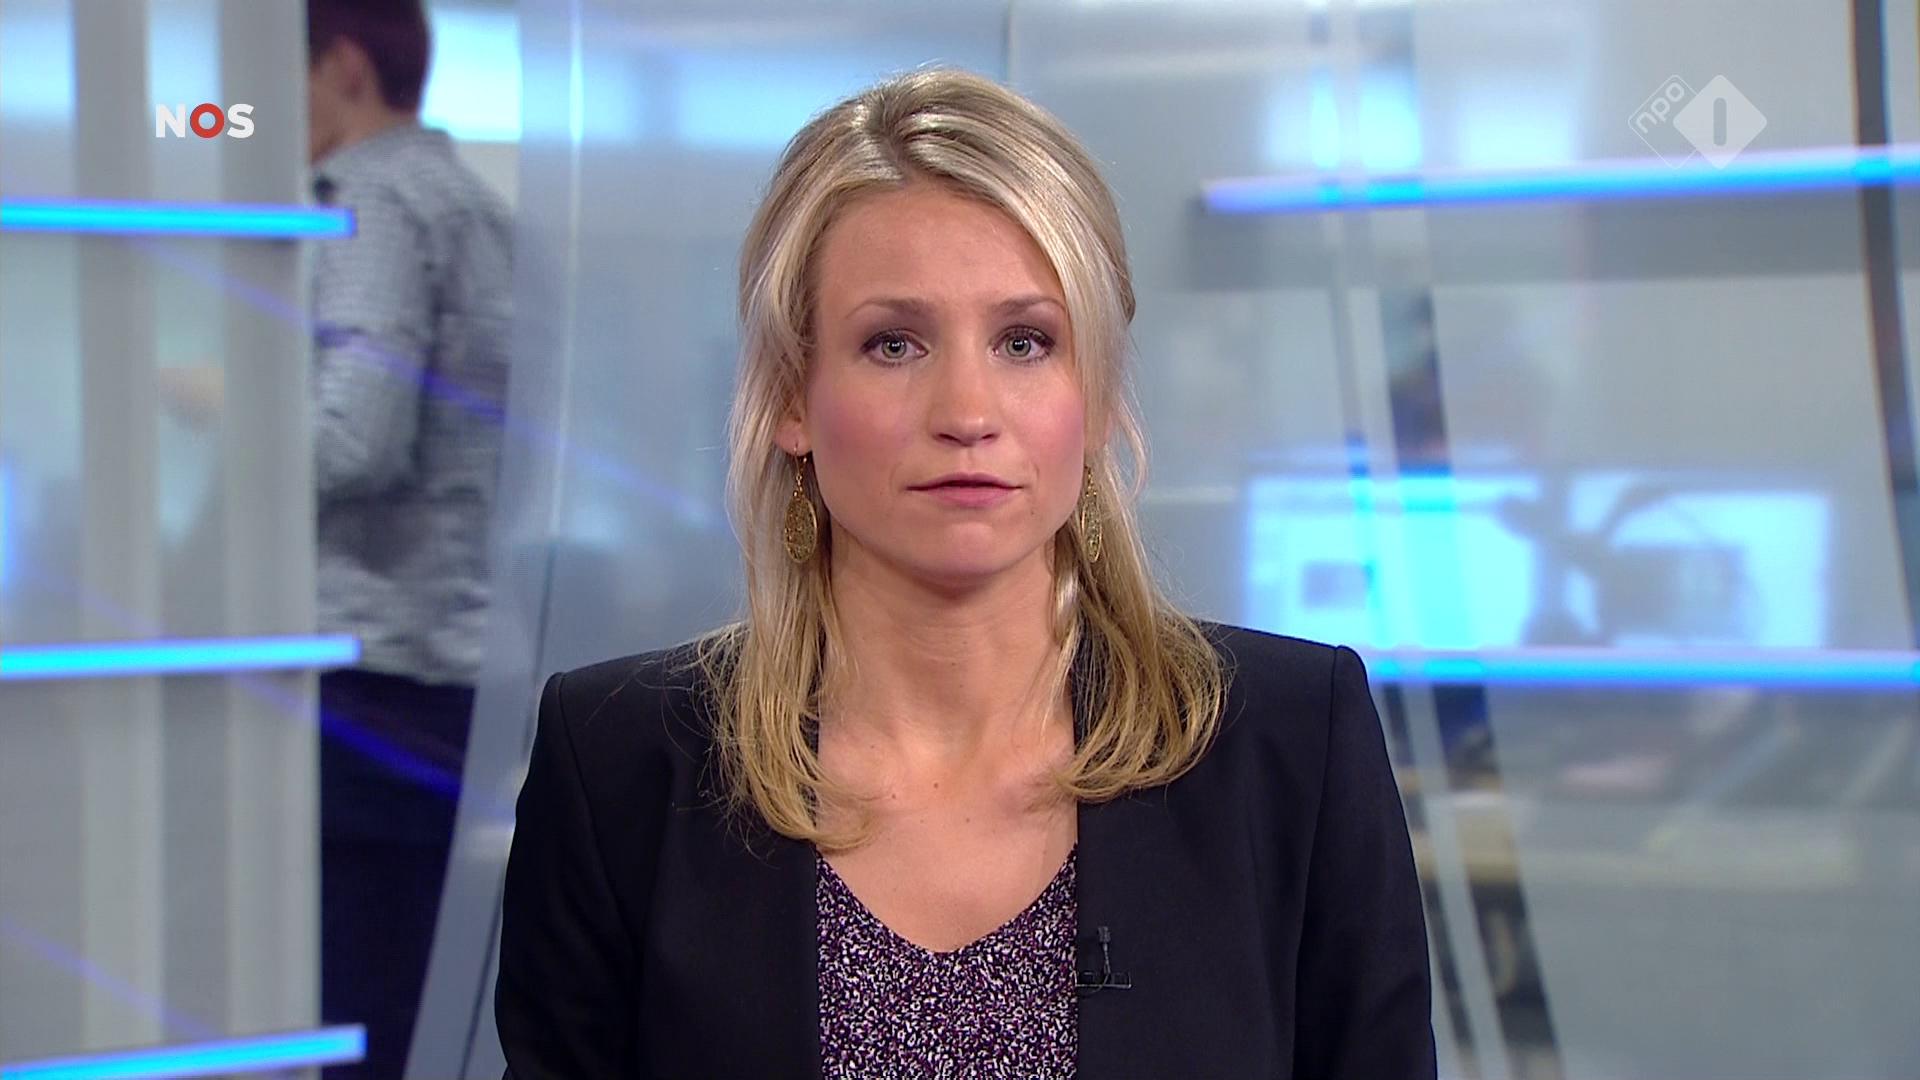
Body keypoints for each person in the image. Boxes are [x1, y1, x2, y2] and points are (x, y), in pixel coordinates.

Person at [495, 68, 1431, 1078]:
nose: (968, 412)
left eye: (1026, 342)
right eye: (893, 344)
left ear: (1097, 394)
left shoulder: (1292, 743)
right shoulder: (618, 764)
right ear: (793, 397)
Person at [305, 1, 512, 1076]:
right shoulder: (481, 210)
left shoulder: (371, 199)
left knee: (349, 1013)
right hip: (454, 670)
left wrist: (223, 408)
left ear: (343, 65)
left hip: (367, 672)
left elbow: (355, 437)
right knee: (417, 1011)